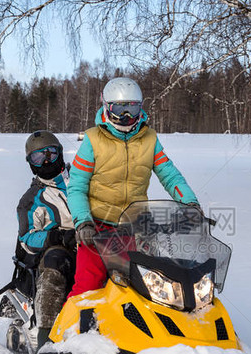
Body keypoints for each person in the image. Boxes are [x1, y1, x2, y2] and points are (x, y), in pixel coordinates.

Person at [67, 77, 199, 297]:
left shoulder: (149, 139)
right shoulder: (92, 140)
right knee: (87, 288)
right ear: (107, 107)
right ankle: (69, 330)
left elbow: (170, 175)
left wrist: (190, 203)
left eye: (133, 107)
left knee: (148, 287)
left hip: (135, 228)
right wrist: (83, 222)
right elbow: (77, 187)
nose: (126, 116)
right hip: (97, 230)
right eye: (120, 108)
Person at [14, 130, 76, 349]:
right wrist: (56, 236)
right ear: (31, 163)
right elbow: (26, 238)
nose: (47, 160)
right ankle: (45, 340)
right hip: (57, 251)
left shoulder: (82, 178)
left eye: (50, 153)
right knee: (55, 265)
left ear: (59, 152)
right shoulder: (31, 199)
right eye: (39, 157)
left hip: (93, 241)